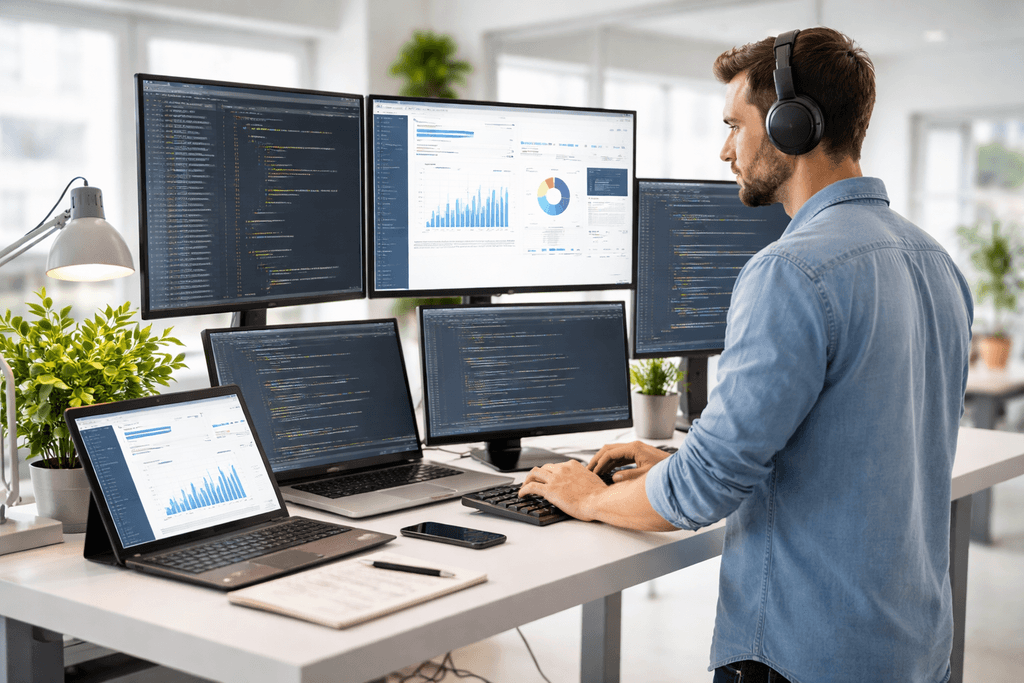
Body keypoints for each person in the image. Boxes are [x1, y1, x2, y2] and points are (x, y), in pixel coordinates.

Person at [520, 27, 974, 683]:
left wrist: (588, 496)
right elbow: (854, 444)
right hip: (913, 648)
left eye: (737, 124)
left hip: (805, 655)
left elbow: (701, 492)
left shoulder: (791, 270)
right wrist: (688, 452)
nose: (725, 148)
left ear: (795, 125)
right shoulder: (936, 261)